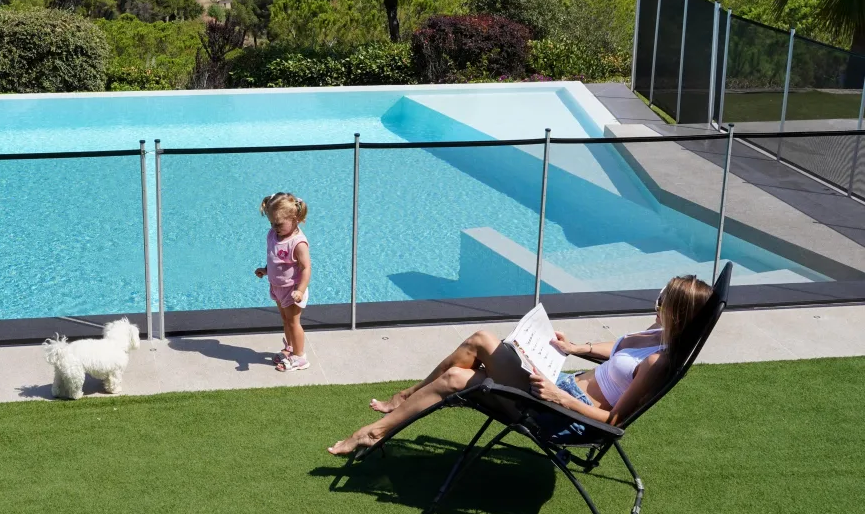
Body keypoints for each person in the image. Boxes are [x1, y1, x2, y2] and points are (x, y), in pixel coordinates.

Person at [328, 275, 713, 456]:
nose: (657, 298)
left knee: (462, 370)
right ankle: (399, 405)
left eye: (664, 297)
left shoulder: (658, 363)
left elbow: (612, 423)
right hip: (560, 384)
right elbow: (614, 349)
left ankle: (376, 431)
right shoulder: (657, 333)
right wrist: (574, 347)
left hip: (559, 411)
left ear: (676, 310)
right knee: (473, 354)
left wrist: (561, 398)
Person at [255, 192, 312, 372]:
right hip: (277, 286)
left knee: (294, 322)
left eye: (278, 224)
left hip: (292, 290)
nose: (274, 227)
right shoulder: (273, 235)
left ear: (294, 218)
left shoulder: (298, 243)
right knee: (285, 320)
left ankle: (300, 356)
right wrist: (266, 269)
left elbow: (305, 268)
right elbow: (275, 258)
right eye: (271, 223)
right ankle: (290, 349)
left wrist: (300, 290)